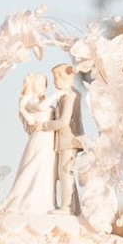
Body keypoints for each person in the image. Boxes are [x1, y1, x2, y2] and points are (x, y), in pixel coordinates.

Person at [1, 73, 56, 213]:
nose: (43, 87)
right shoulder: (30, 100)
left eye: (44, 84)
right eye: (39, 84)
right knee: (35, 167)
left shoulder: (39, 100)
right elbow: (41, 108)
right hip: (41, 139)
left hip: (49, 138)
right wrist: (59, 93)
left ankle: (44, 201)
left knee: (46, 170)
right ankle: (25, 201)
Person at [43, 62, 84, 213]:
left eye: (56, 78)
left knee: (65, 173)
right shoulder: (65, 96)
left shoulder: (70, 96)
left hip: (69, 140)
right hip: (66, 140)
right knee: (67, 173)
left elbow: (64, 121)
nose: (54, 81)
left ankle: (67, 207)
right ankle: (75, 207)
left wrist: (45, 125)